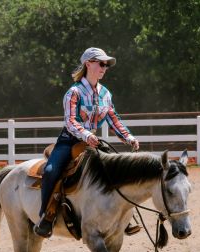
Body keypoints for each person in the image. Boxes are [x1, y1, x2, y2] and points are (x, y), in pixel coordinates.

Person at [33, 47, 140, 238]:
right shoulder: (73, 92)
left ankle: (124, 217)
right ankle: (45, 216)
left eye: (106, 65)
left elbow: (113, 118)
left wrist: (128, 137)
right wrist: (85, 134)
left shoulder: (105, 93)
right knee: (50, 171)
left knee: (118, 168)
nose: (104, 68)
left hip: (92, 142)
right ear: (88, 64)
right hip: (69, 140)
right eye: (101, 63)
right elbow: (70, 121)